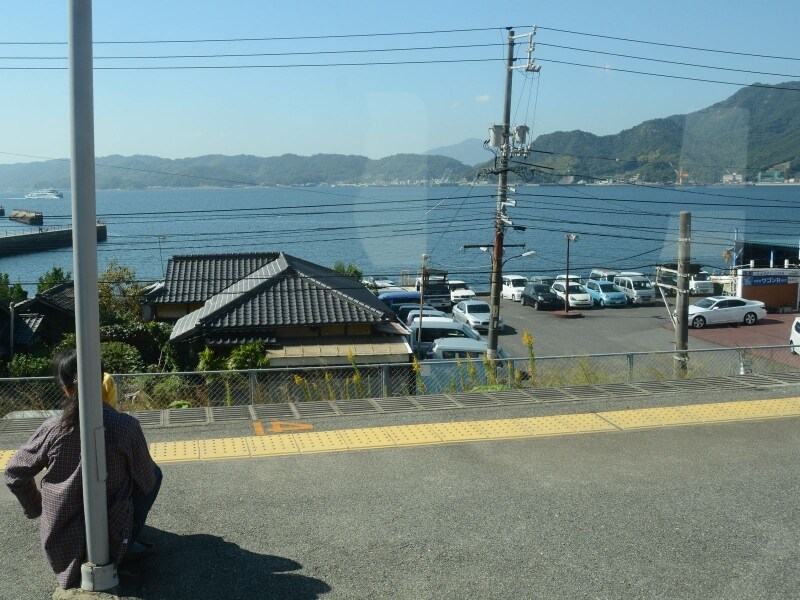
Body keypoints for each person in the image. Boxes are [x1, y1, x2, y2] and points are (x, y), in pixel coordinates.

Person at [4, 349, 163, 589]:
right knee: (153, 473)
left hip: (61, 545)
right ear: (101, 380)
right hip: (113, 541)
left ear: (65, 388)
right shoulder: (126, 426)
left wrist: (37, 507)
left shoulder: (52, 429)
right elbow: (146, 483)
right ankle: (129, 542)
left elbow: (14, 473)